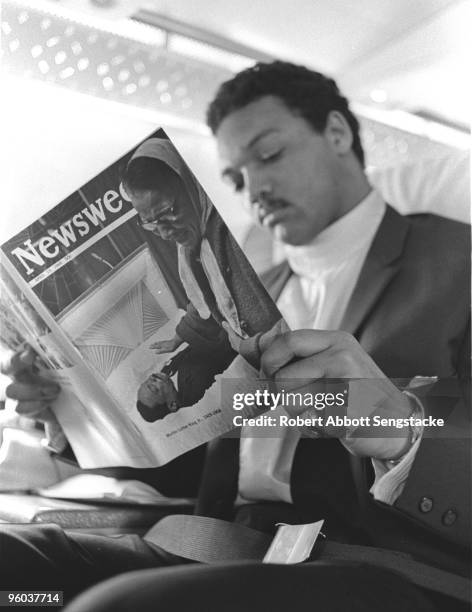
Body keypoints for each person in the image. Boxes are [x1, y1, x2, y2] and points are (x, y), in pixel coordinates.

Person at [1, 61, 470, 611]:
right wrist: (81, 418)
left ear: (338, 134)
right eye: (234, 179)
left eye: (269, 156)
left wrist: (402, 428)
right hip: (226, 544)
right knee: (16, 576)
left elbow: (448, 411)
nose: (254, 190)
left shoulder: (456, 265)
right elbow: (204, 446)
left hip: (374, 562)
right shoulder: (241, 286)